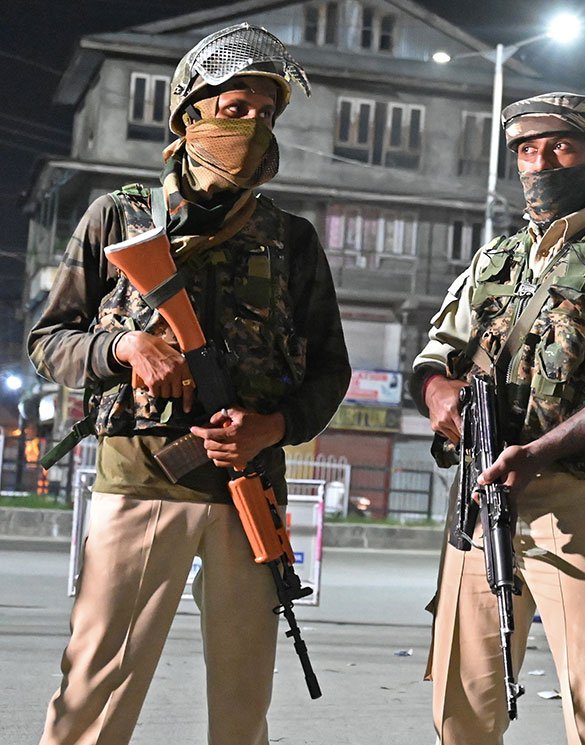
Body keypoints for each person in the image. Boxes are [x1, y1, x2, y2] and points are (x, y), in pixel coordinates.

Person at [28, 24, 350, 745]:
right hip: (143, 481)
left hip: (249, 491)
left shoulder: (291, 239)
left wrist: (275, 427)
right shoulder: (118, 218)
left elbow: (332, 369)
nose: (253, 125)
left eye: (266, 114)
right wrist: (123, 347)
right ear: (190, 114)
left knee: (243, 705)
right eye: (237, 108)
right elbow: (49, 343)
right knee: (97, 690)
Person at [410, 91, 585, 745]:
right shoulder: (492, 261)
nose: (541, 163)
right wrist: (441, 399)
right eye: (527, 150)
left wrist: (539, 452)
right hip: (481, 501)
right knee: (461, 707)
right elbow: (431, 360)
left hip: (579, 503)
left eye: (561, 146)